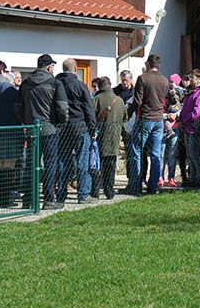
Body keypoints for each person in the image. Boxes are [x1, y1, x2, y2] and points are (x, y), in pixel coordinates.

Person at [15, 54, 69, 209]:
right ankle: (48, 199)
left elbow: (18, 108)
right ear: (49, 67)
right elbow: (62, 107)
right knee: (50, 164)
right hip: (50, 129)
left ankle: (28, 199)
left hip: (31, 129)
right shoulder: (54, 83)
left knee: (31, 164)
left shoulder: (25, 83)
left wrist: (26, 121)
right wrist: (61, 123)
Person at [55, 59, 98, 204]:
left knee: (62, 161)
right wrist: (93, 127)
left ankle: (60, 194)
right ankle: (83, 194)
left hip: (62, 127)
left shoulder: (56, 84)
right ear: (75, 69)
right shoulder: (80, 85)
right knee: (82, 160)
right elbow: (88, 108)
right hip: (80, 126)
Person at [128, 53, 169, 195]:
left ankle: (135, 185)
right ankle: (153, 187)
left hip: (145, 118)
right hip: (158, 119)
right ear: (158, 65)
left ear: (148, 64)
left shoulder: (142, 78)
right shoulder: (164, 80)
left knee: (136, 152)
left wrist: (128, 113)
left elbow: (137, 101)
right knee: (156, 154)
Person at [0, 60, 23, 207]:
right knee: (8, 167)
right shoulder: (9, 89)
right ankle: (5, 199)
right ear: (2, 72)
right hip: (10, 131)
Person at [92, 77, 127, 200]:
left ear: (100, 86)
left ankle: (95, 192)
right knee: (111, 166)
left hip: (99, 138)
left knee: (96, 165)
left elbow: (92, 118)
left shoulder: (96, 99)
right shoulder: (119, 100)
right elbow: (125, 118)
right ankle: (109, 191)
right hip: (114, 137)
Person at [177, 70, 200, 188]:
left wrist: (184, 120)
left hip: (195, 127)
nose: (190, 80)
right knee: (190, 154)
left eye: (192, 78)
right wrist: (180, 119)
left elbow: (197, 111)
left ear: (198, 79)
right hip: (187, 127)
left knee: (194, 154)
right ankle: (192, 177)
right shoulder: (192, 91)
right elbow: (185, 107)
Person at [113, 70, 135, 192]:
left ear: (131, 79)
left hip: (130, 125)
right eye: (123, 80)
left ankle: (132, 180)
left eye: (126, 80)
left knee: (130, 153)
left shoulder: (136, 92)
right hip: (117, 124)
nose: (125, 83)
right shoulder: (115, 91)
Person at [161, 74, 184, 187]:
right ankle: (160, 177)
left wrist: (175, 115)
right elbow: (159, 111)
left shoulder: (180, 95)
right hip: (162, 128)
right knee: (161, 155)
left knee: (172, 154)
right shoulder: (163, 97)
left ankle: (171, 177)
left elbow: (183, 109)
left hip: (175, 128)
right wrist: (167, 116)